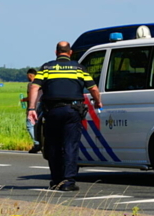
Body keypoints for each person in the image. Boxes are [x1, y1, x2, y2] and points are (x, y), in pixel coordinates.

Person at [27, 42, 103, 192]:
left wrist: (31, 108)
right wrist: (98, 102)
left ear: (56, 52)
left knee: (53, 146)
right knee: (70, 145)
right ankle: (68, 181)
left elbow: (35, 86)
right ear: (70, 52)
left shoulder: (47, 67)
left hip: (52, 111)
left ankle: (56, 181)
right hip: (72, 111)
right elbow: (93, 88)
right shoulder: (78, 68)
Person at [21, 68, 41, 154]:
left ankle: (37, 143)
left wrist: (23, 100)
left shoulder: (31, 84)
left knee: (30, 125)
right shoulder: (41, 83)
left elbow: (30, 97)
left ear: (30, 75)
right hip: (41, 106)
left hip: (33, 108)